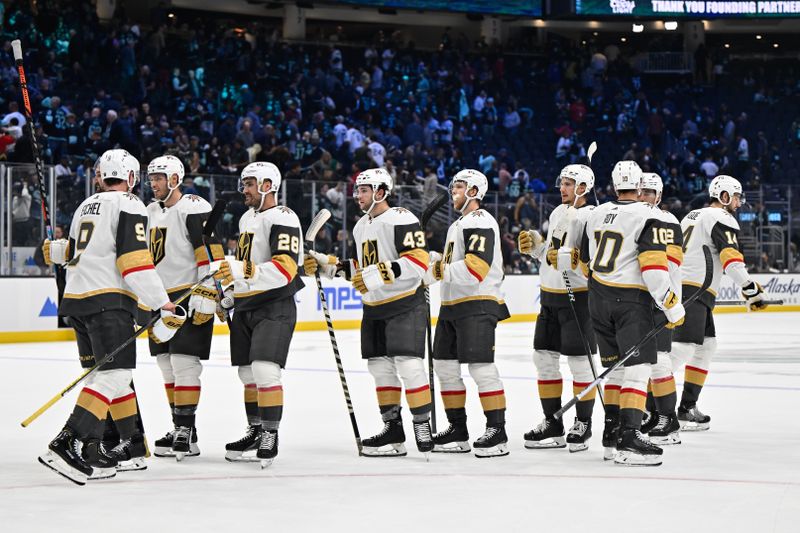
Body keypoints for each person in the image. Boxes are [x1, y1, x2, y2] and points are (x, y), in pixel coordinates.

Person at [39, 149, 176, 485]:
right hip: (108, 300)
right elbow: (133, 260)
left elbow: (71, 253)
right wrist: (162, 302)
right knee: (116, 376)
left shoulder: (85, 205)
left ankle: (96, 446)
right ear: (131, 178)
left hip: (77, 301)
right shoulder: (129, 203)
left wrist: (57, 251)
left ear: (99, 176)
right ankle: (68, 440)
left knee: (104, 375)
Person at [304, 168, 433, 457]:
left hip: (404, 303)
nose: (357, 195)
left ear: (380, 191)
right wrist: (328, 265)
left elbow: (419, 261)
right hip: (373, 306)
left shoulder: (402, 217)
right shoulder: (362, 225)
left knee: (409, 367)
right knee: (379, 368)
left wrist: (382, 272)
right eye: (357, 190)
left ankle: (421, 424)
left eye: (363, 190)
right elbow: (362, 269)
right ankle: (393, 430)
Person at [579, 161, 685, 466]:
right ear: (639, 186)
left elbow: (586, 262)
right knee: (637, 370)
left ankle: (611, 433)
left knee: (614, 370)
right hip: (630, 303)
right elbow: (653, 270)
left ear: (613, 184)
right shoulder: (648, 215)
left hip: (597, 298)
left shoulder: (596, 213)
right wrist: (671, 305)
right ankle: (629, 437)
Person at [212, 162, 304, 468]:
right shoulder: (246, 219)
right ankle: (254, 431)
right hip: (247, 305)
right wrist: (230, 295)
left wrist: (244, 270)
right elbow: (243, 266)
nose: (244, 190)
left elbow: (286, 269)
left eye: (250, 184)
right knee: (247, 375)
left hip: (275, 304)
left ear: (267, 185)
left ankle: (270, 433)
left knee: (265, 370)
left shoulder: (284, 217)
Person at [669, 175, 767, 431]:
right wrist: (750, 288)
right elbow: (731, 259)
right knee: (681, 349)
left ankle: (686, 407)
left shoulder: (691, 215)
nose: (738, 202)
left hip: (689, 287)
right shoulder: (722, 217)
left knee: (706, 346)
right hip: (695, 289)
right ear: (723, 196)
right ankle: (648, 407)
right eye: (735, 197)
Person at [426, 169, 511, 457]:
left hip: (478, 303)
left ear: (474, 192)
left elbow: (476, 268)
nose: (454, 191)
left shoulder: (480, 220)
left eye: (460, 186)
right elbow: (456, 263)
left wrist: (439, 270)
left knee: (481, 368)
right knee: (445, 368)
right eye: (454, 186)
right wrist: (435, 259)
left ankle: (497, 431)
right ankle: (457, 430)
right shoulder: (458, 225)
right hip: (452, 307)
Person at [145, 155, 223, 460]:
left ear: (175, 179)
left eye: (159, 178)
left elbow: (209, 249)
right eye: (151, 178)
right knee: (165, 364)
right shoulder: (149, 211)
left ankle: (185, 429)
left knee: (183, 362)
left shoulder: (194, 205)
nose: (153, 183)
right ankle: (182, 427)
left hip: (190, 293)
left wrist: (211, 288)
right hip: (158, 297)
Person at [517, 164, 598, 453]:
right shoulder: (557, 213)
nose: (562, 188)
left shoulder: (592, 216)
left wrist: (573, 259)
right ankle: (552, 422)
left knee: (579, 363)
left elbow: (595, 268)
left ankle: (583, 423)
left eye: (568, 183)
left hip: (577, 299)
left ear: (583, 187)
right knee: (544, 360)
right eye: (561, 183)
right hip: (549, 299)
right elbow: (552, 259)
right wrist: (538, 248)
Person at [639, 173, 684, 445]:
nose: (644, 196)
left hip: (660, 300)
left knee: (660, 360)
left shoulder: (667, 220)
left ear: (659, 195)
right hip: (637, 302)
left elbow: (668, 264)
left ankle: (669, 419)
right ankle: (655, 415)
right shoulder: (632, 217)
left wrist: (666, 299)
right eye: (641, 191)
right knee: (644, 363)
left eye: (649, 192)